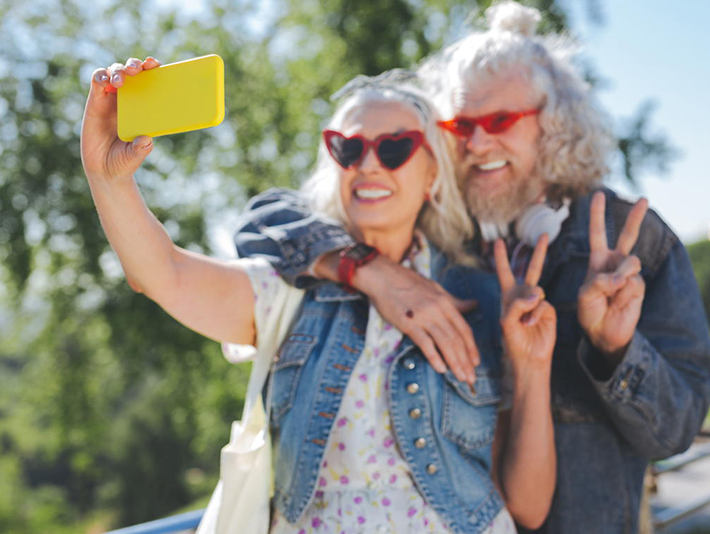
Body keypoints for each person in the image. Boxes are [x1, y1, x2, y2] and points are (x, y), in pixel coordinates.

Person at [231, 0, 710, 534]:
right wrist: (370, 270)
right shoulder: (426, 227)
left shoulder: (632, 240)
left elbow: (677, 433)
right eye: (461, 125)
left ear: (555, 124)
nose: (479, 143)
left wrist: (618, 350)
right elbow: (267, 218)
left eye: (500, 121)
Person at [80, 61, 558, 532]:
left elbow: (528, 507)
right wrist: (108, 178)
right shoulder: (289, 292)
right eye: (348, 148)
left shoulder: (478, 296)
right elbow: (164, 273)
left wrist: (532, 365)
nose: (368, 164)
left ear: (433, 172)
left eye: (394, 148)